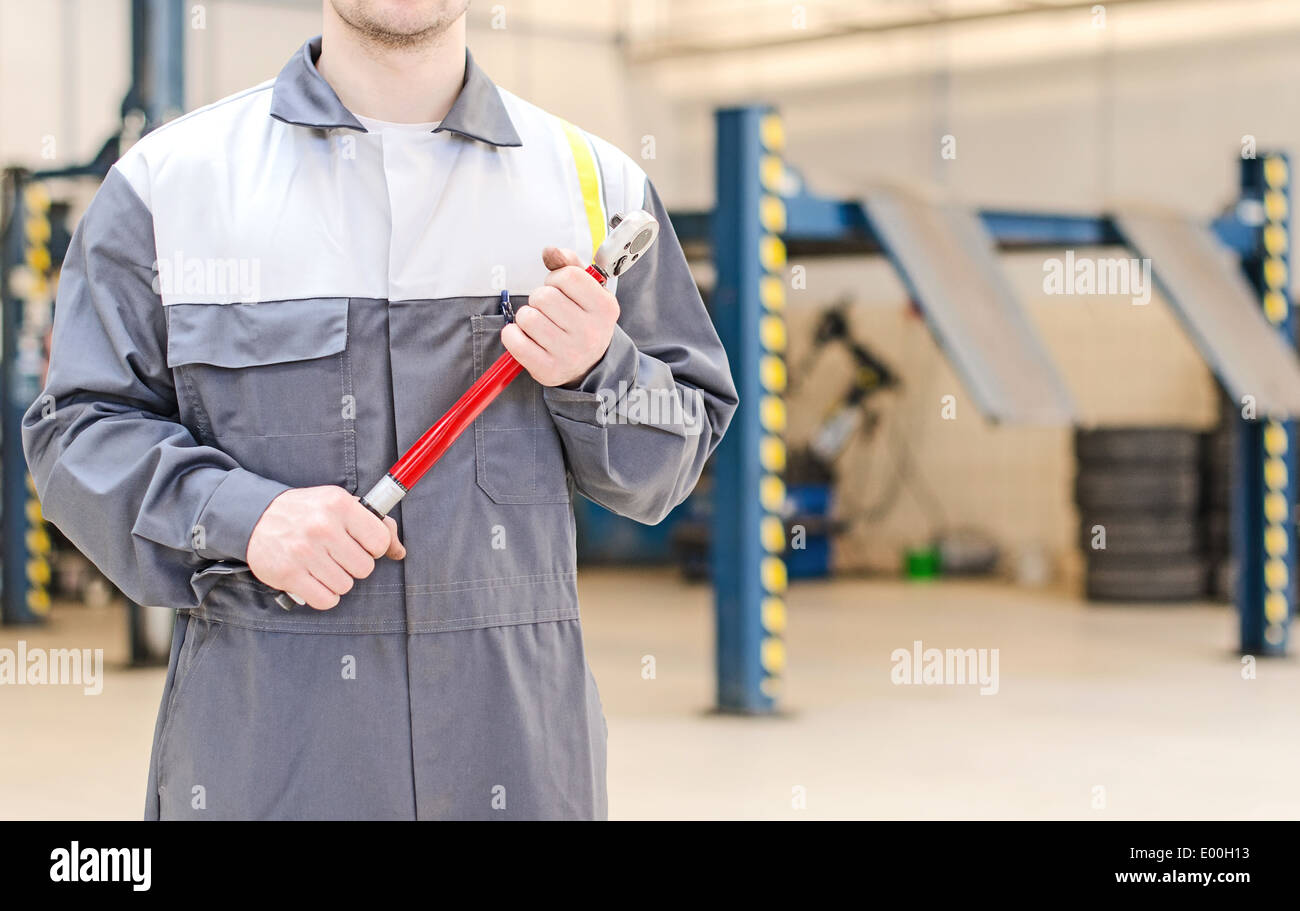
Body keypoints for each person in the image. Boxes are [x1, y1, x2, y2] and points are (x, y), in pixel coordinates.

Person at [22, 0, 737, 820]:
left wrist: (597, 370)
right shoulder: (171, 186)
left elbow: (671, 456)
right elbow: (78, 430)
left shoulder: (595, 186)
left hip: (519, 767)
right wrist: (243, 517)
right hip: (264, 770)